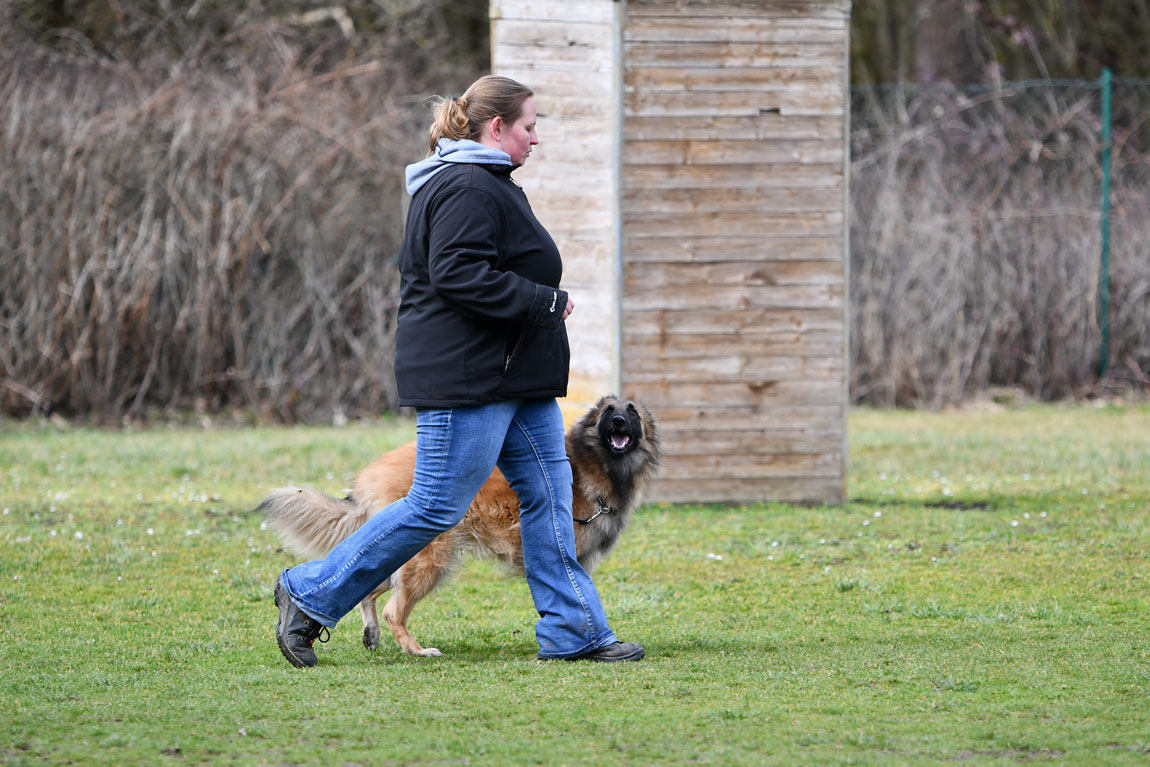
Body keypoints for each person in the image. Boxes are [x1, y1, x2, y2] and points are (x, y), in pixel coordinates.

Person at [273, 74, 644, 666]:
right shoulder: (467, 184)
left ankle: (574, 633)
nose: (536, 138)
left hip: (515, 381)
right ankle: (310, 592)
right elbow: (457, 273)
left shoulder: (487, 182)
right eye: (529, 126)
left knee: (550, 497)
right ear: (496, 127)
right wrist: (543, 301)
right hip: (472, 381)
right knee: (435, 508)